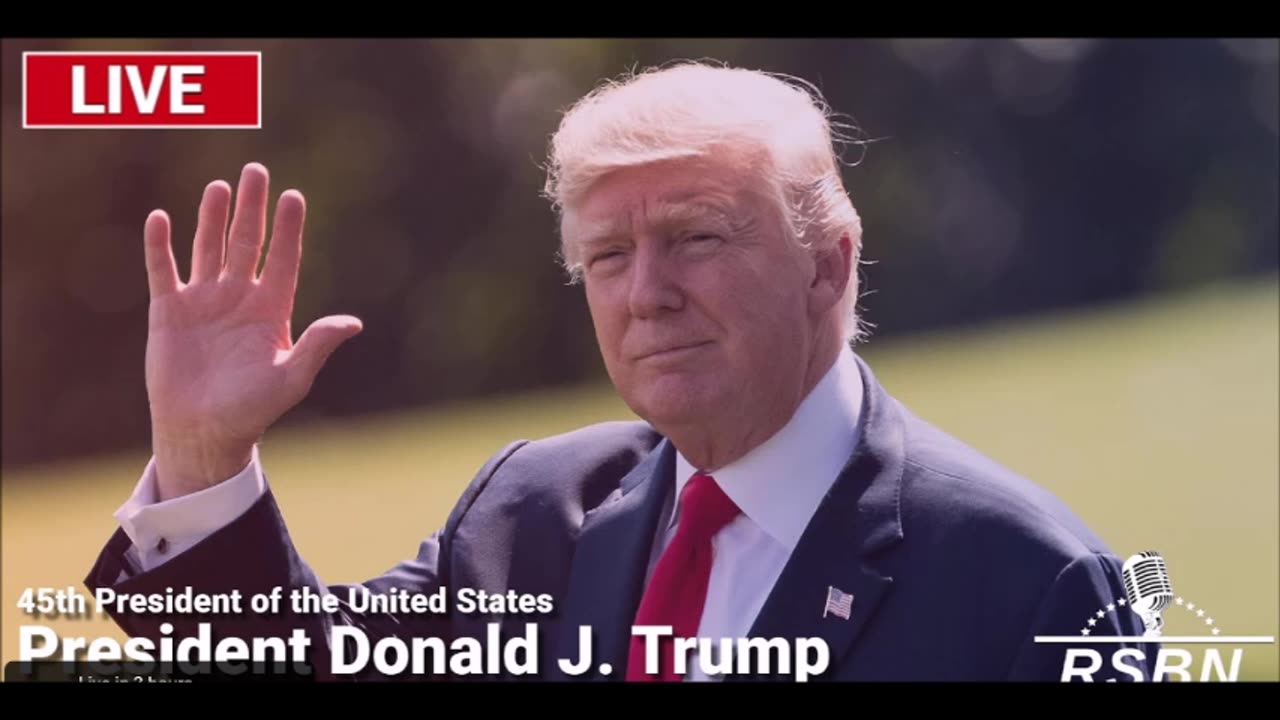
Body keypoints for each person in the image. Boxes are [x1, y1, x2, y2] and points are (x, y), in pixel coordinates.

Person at [84, 60, 1157, 682]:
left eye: (695, 238)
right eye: (606, 255)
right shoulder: (532, 512)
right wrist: (201, 455)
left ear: (827, 265)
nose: (644, 292)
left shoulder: (1029, 583)